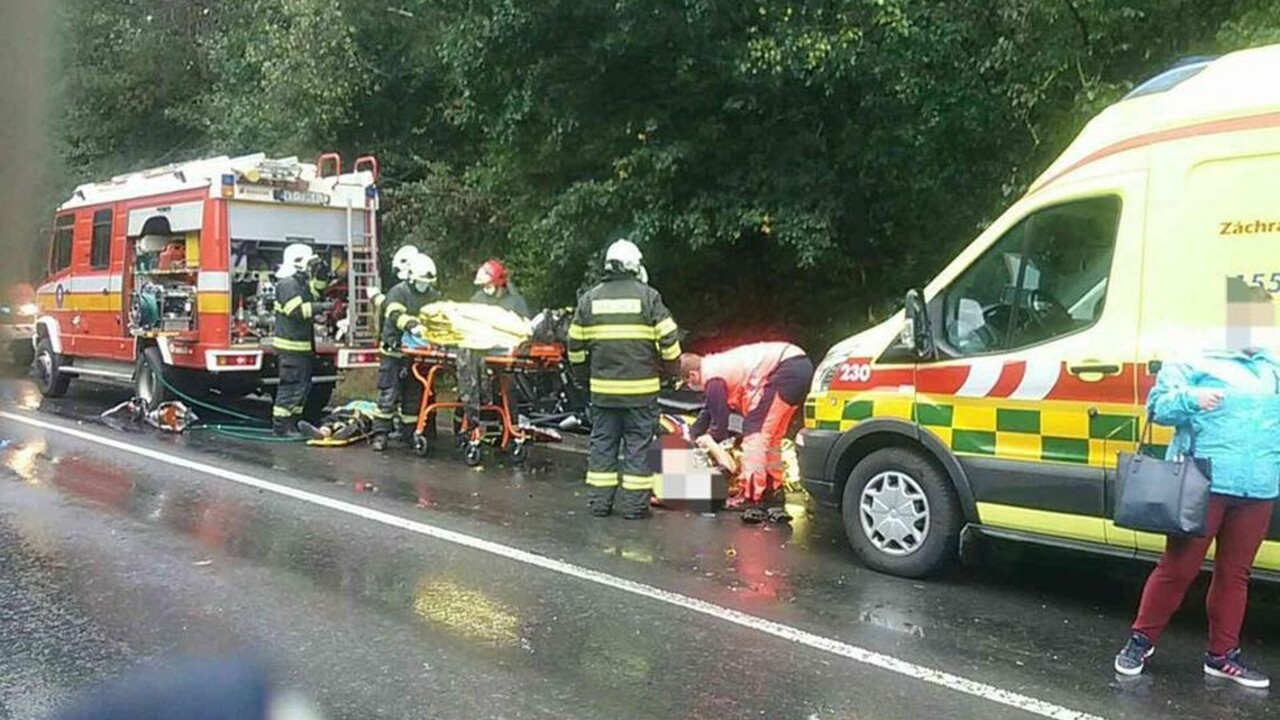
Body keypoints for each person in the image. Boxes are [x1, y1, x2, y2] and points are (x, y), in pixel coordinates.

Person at [1113, 348, 1280, 688]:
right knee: (1178, 568)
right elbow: (1157, 408)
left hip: (1258, 486)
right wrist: (1192, 398)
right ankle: (1140, 643)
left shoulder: (1271, 367)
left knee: (1235, 575)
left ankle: (1222, 656)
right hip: (1200, 483)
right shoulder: (1192, 359)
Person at [568, 239, 681, 519]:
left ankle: (599, 504)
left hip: (603, 394)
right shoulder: (648, 297)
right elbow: (669, 340)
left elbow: (575, 348)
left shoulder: (589, 299)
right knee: (638, 447)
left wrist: (583, 380)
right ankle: (634, 507)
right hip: (641, 395)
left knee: (602, 445)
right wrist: (671, 373)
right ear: (633, 265)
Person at [681, 342, 813, 521]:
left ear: (692, 375)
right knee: (771, 439)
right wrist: (694, 433)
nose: (689, 387)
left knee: (754, 435)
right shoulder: (717, 368)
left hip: (784, 369)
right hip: (798, 367)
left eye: (687, 383)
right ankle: (773, 490)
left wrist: (708, 440)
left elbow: (720, 424)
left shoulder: (712, 377)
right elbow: (709, 408)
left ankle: (752, 498)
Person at [370, 253, 441, 452]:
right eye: (420, 282)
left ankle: (410, 434)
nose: (423, 285)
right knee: (388, 394)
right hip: (393, 352)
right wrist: (411, 325)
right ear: (411, 277)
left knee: (414, 395)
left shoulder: (433, 296)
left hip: (417, 355)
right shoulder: (398, 292)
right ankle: (380, 434)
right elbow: (394, 314)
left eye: (426, 282)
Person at [271, 243, 332, 437]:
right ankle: (281, 426)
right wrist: (322, 307)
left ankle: (293, 423)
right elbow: (296, 311)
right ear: (299, 263)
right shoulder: (287, 284)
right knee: (290, 388)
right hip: (290, 348)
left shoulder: (300, 283)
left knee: (301, 388)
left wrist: (322, 276)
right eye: (309, 263)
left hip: (302, 348)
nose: (310, 267)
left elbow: (314, 294)